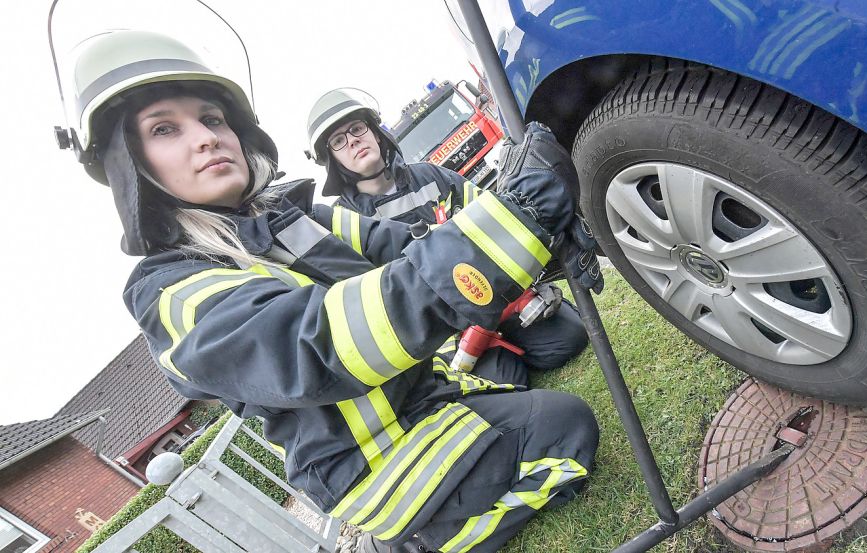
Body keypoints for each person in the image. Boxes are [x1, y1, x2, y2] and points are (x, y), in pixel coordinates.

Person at [62, 30, 601, 553]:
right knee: (566, 431)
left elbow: (404, 248)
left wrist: (535, 238)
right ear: (129, 167)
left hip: (423, 403)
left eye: (211, 118)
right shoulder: (171, 292)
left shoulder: (288, 220)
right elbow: (323, 343)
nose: (205, 137)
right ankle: (412, 542)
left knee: (536, 383)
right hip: (373, 464)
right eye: (163, 130)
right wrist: (515, 221)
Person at [304, 89, 591, 383]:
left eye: (357, 128)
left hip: (490, 297)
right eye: (338, 141)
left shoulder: (430, 176)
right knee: (506, 379)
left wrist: (532, 284)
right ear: (333, 160)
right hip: (438, 335)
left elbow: (496, 224)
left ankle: (507, 343)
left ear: (376, 133)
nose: (353, 140)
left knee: (569, 337)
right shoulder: (344, 221)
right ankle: (496, 360)